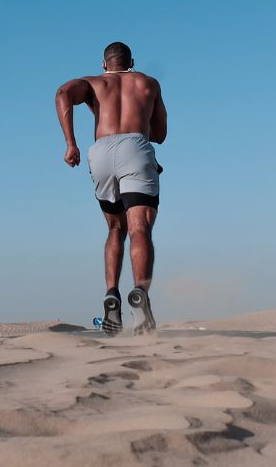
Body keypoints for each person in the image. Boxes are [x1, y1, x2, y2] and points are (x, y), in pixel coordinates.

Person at [55, 42, 167, 335]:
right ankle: (139, 293)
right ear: (132, 61)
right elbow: (161, 135)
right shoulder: (148, 82)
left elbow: (62, 93)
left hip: (101, 150)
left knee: (115, 229)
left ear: (104, 64)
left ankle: (111, 293)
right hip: (135, 146)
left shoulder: (93, 83)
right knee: (140, 227)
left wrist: (70, 142)